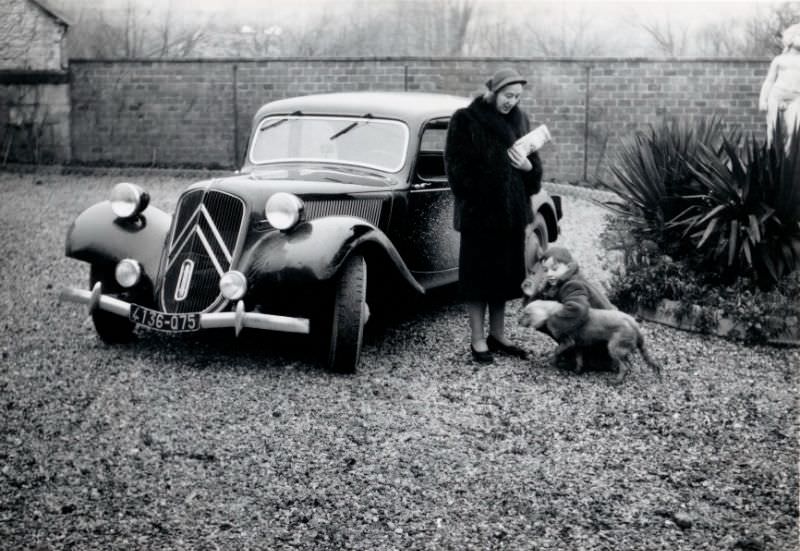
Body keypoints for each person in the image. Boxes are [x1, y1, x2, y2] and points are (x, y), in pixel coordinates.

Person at [445, 67, 543, 363]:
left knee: (502, 278)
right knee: (477, 280)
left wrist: (528, 168)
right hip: (479, 217)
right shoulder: (465, 120)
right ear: (493, 92)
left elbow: (535, 176)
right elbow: (455, 168)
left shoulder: (521, 120)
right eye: (507, 95)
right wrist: (481, 195)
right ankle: (477, 340)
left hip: (512, 217)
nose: (511, 102)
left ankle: (497, 336)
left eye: (516, 97)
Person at [536, 246, 617, 369]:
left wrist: (550, 321)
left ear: (568, 267)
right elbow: (540, 302)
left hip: (605, 336)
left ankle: (598, 359)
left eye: (554, 269)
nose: (549, 274)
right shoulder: (558, 280)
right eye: (546, 270)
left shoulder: (573, 284)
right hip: (601, 328)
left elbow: (578, 310)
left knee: (550, 319)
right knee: (542, 316)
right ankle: (575, 351)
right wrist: (530, 294)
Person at [758, 23, 800, 148]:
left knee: (795, 129)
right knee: (773, 129)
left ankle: (789, 161)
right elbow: (769, 80)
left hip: (796, 97)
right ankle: (772, 158)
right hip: (777, 95)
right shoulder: (779, 59)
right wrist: (763, 99)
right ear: (791, 39)